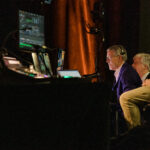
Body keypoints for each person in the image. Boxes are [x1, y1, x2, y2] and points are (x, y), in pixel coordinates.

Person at [106, 45, 142, 135]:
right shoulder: (121, 71)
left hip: (125, 121)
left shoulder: (127, 73)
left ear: (119, 58)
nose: (107, 61)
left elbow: (128, 99)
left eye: (109, 58)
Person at [120, 53, 150, 129]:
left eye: (135, 63)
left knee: (125, 98)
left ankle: (135, 134)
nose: (132, 66)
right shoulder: (136, 82)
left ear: (145, 66)